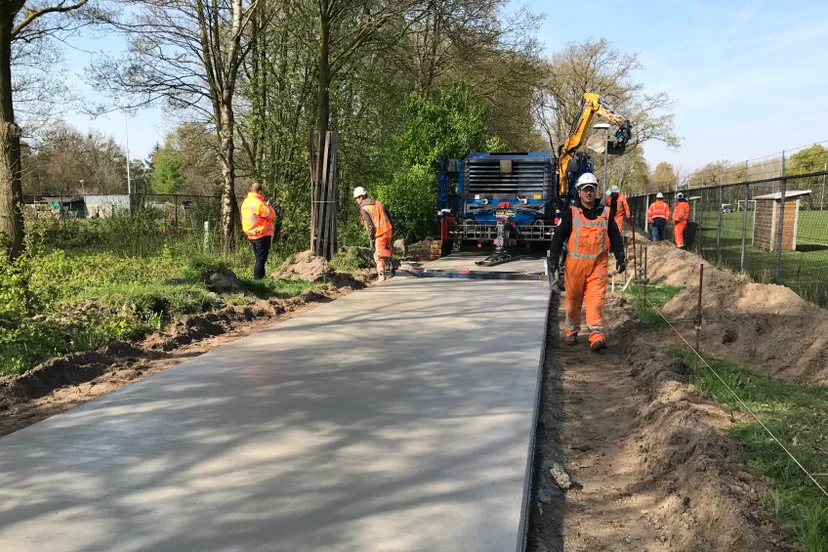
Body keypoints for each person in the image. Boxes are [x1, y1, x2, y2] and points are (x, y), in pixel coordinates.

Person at [549, 173, 626, 352]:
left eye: (591, 189)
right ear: (579, 192)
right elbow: (558, 238)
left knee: (596, 300)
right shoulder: (570, 214)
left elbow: (615, 236)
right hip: (574, 267)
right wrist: (553, 259)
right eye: (585, 190)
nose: (588, 193)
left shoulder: (606, 214)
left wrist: (620, 257)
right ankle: (571, 331)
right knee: (573, 299)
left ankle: (597, 335)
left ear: (595, 191)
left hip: (598, 266)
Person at [354, 187, 394, 281]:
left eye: (356, 198)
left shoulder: (363, 209)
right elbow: (388, 215)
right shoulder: (378, 202)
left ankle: (381, 275)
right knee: (386, 249)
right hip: (388, 229)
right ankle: (390, 270)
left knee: (379, 255)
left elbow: (370, 226)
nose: (355, 200)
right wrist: (392, 227)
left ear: (360, 197)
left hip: (379, 233)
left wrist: (372, 239)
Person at [240, 182, 276, 279]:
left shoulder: (246, 202)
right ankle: (258, 280)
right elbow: (271, 215)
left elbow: (256, 215)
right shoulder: (258, 203)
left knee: (258, 258)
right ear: (260, 191)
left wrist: (266, 205)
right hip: (261, 234)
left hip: (251, 234)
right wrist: (269, 206)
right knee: (261, 259)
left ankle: (261, 278)